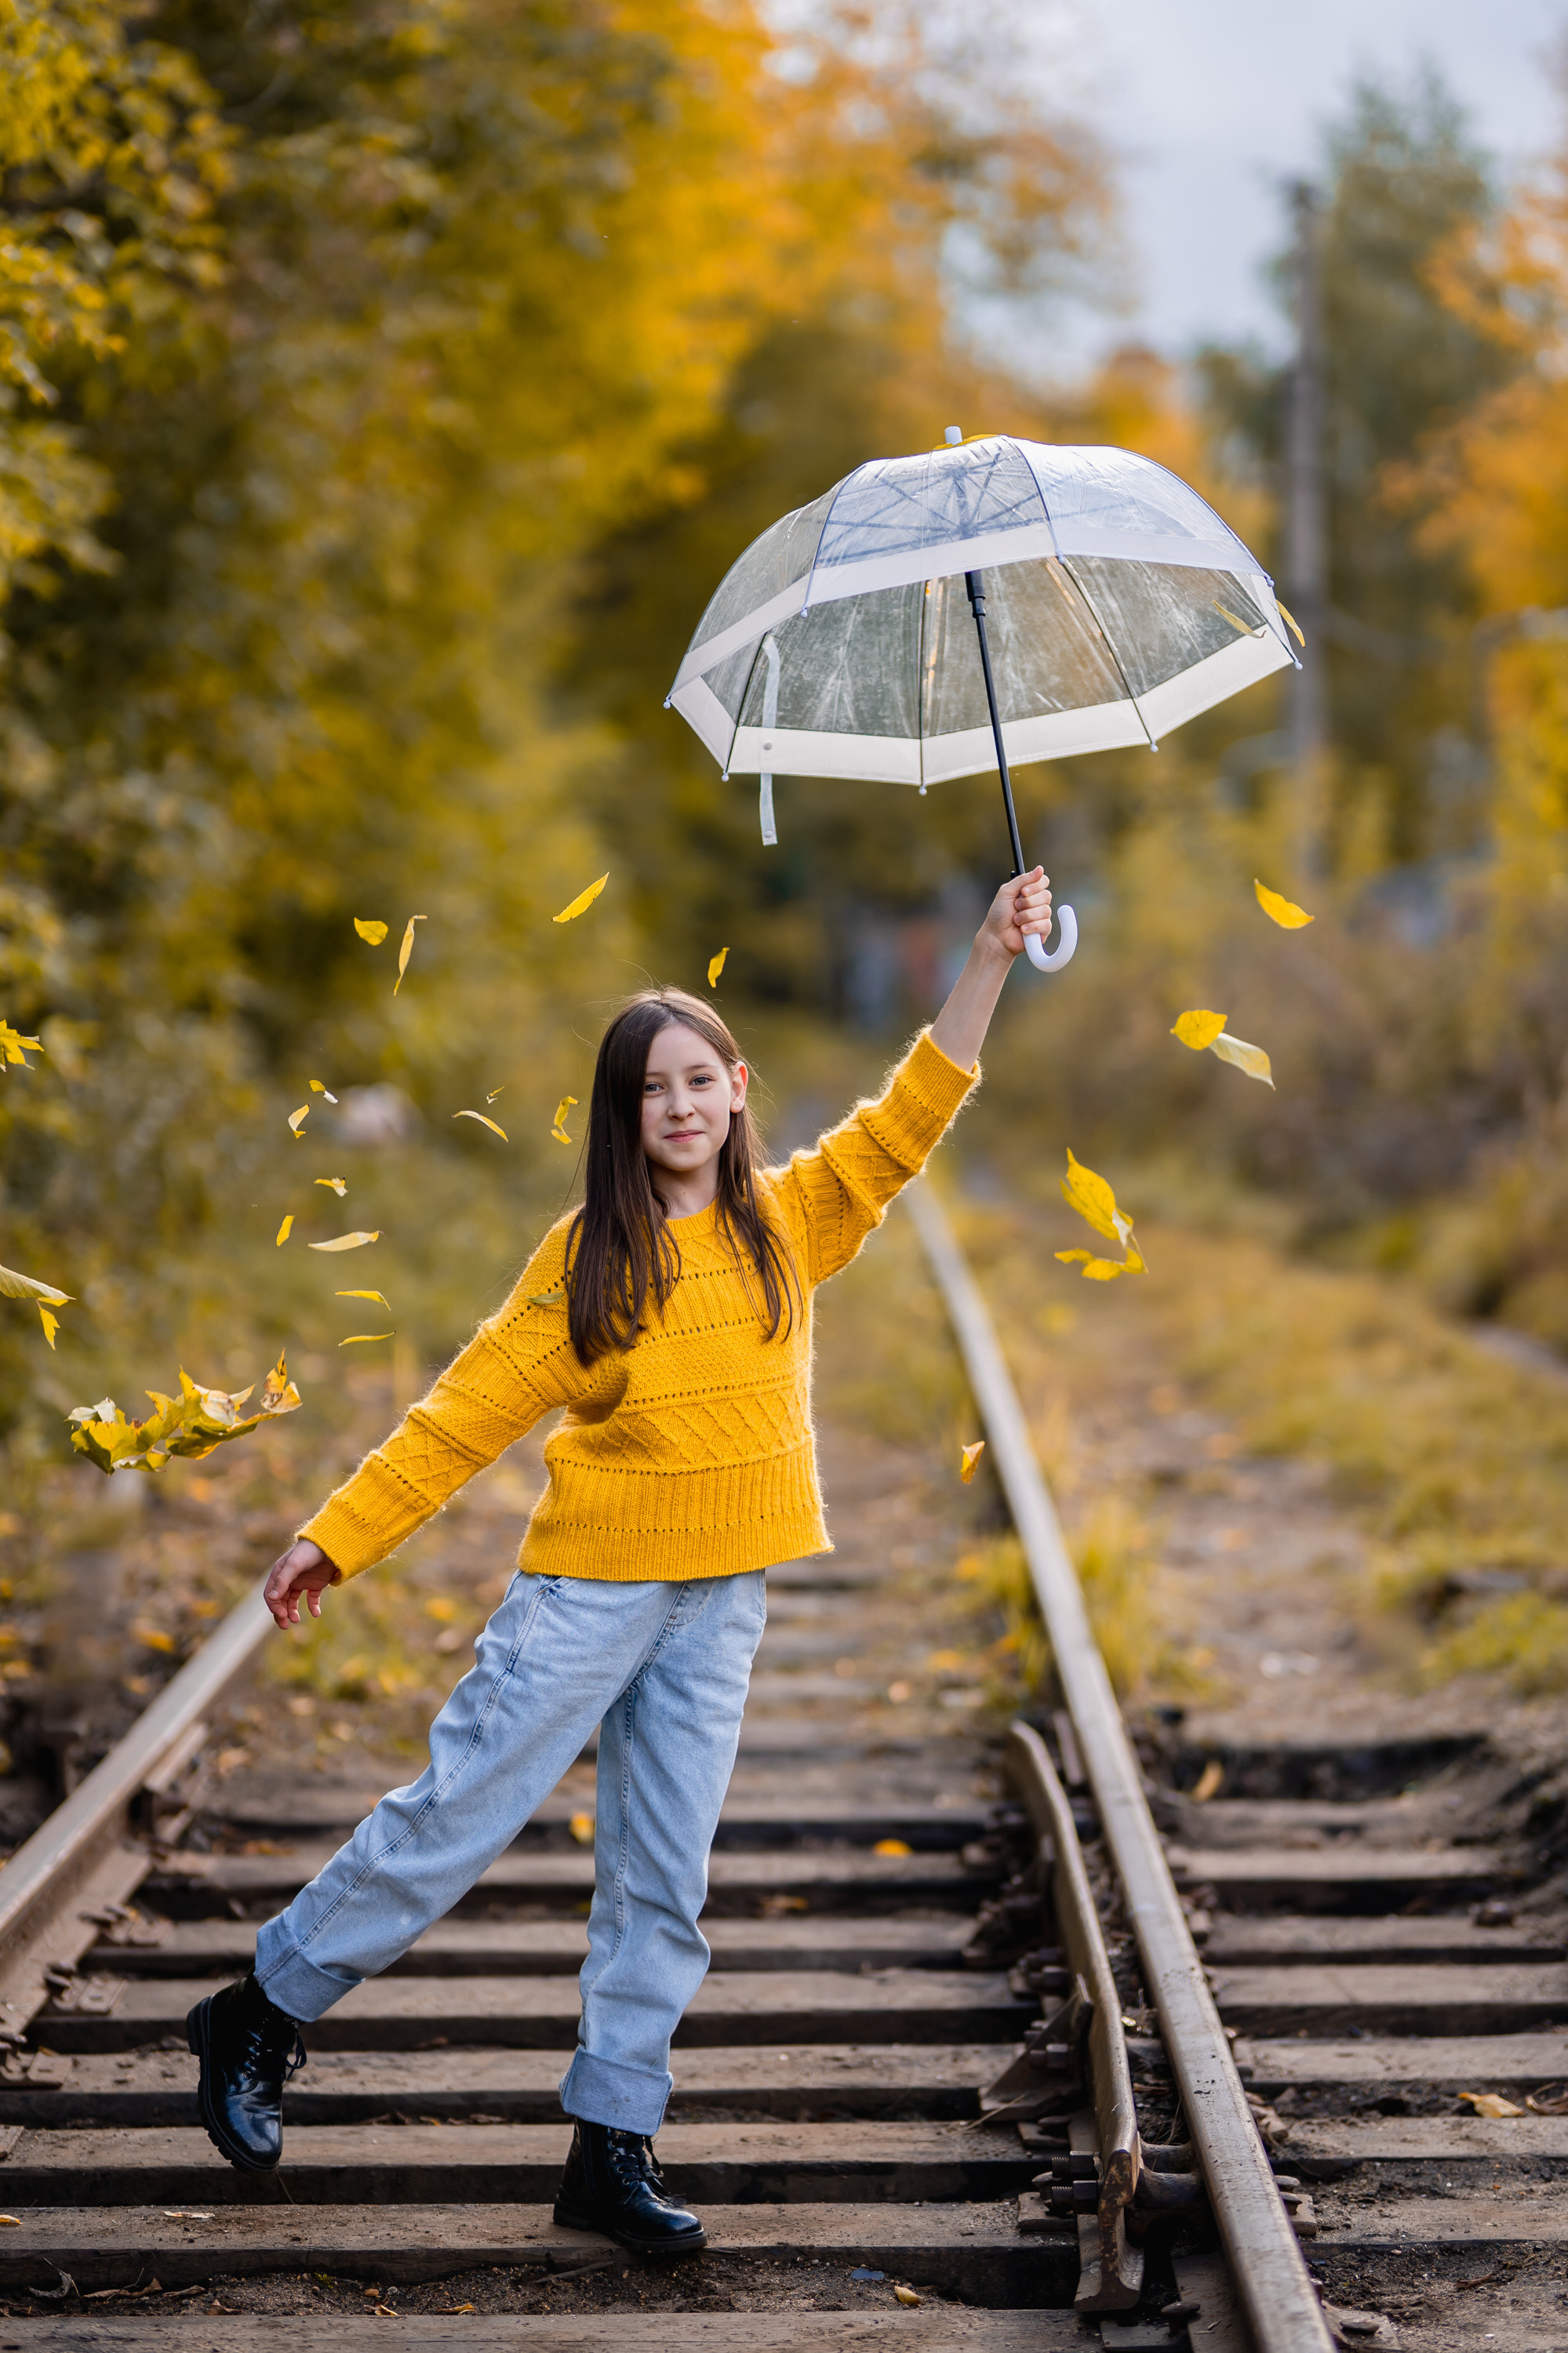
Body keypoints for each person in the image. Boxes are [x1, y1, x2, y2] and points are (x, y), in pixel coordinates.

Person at [186, 866, 1053, 2255]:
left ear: (738, 1085)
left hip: (725, 1599)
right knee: (454, 1818)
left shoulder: (793, 1220)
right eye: (654, 1089)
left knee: (665, 1877)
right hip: (587, 1595)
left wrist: (991, 952)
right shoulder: (589, 1260)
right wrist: (337, 1533)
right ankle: (260, 2011)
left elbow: (916, 1108)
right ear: (625, 1115)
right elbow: (464, 1408)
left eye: (701, 1080)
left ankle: (611, 2144)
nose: (683, 1107)